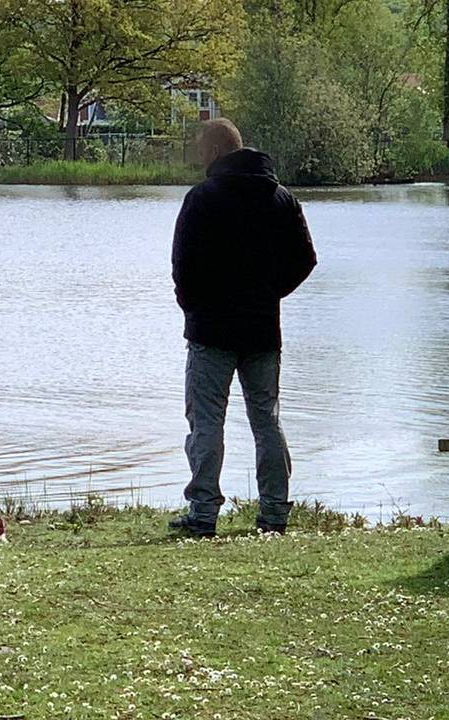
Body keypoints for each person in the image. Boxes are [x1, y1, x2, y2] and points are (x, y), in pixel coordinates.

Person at [168, 118, 317, 538]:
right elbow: (305, 260)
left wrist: (193, 306)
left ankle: (202, 514)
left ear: (216, 152)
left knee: (206, 422)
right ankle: (274, 514)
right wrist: (269, 293)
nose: (198, 158)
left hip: (210, 331)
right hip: (262, 330)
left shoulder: (201, 198)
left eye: (200, 150)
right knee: (266, 421)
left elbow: (182, 265)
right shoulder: (281, 199)